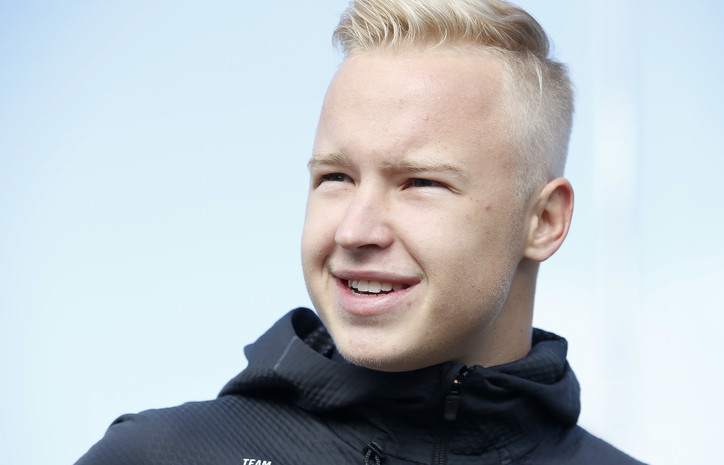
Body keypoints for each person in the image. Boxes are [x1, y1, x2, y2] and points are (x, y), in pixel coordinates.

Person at [76, 0, 645, 464]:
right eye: (335, 177)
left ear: (544, 221)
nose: (354, 230)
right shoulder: (156, 457)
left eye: (420, 182)